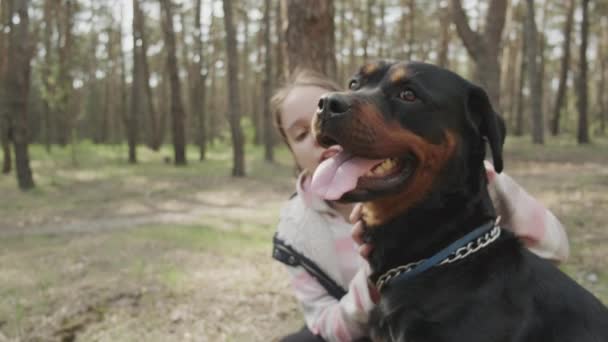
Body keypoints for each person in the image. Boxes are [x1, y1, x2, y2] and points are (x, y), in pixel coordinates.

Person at [270, 68, 569, 342]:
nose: (331, 107)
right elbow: (325, 323)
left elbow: (554, 246)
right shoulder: (295, 232)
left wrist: (487, 188)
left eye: (407, 95)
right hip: (364, 322)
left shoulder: (483, 180)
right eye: (300, 134)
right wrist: (373, 279)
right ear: (290, 152)